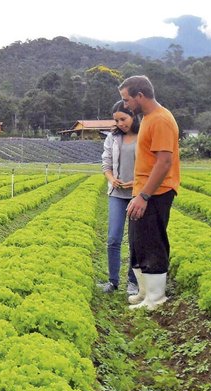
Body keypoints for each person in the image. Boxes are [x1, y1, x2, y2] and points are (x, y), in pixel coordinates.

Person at [119, 75, 181, 310]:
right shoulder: (147, 118)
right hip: (143, 191)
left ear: (140, 96)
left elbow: (164, 162)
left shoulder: (161, 120)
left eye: (127, 99)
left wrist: (144, 196)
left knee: (152, 240)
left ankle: (156, 298)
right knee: (138, 241)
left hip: (156, 192)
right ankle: (145, 293)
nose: (125, 104)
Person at [98, 100, 140, 296]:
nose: (120, 123)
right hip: (116, 193)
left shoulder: (143, 135)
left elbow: (150, 165)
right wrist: (112, 179)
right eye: (117, 120)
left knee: (134, 240)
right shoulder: (112, 138)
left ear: (133, 115)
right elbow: (106, 162)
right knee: (113, 238)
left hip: (136, 195)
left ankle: (133, 281)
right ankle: (112, 281)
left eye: (123, 119)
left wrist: (136, 184)